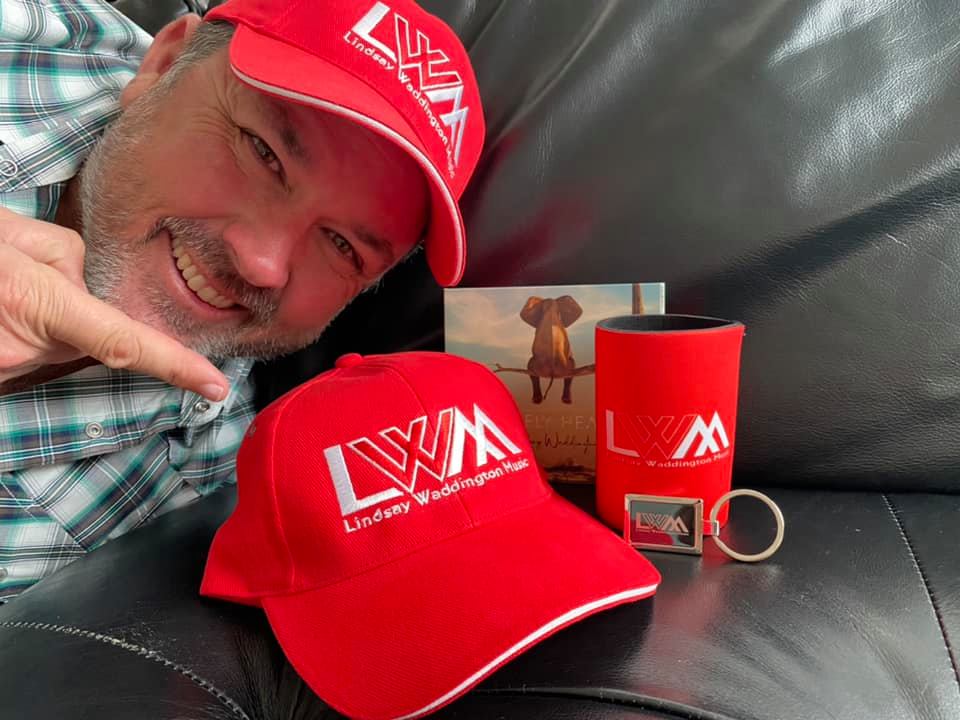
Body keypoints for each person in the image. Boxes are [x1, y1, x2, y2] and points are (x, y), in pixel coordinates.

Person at [0, 0, 484, 601]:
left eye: (342, 246)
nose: (262, 263)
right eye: (263, 152)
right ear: (165, 63)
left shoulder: (196, 505)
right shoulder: (23, 34)